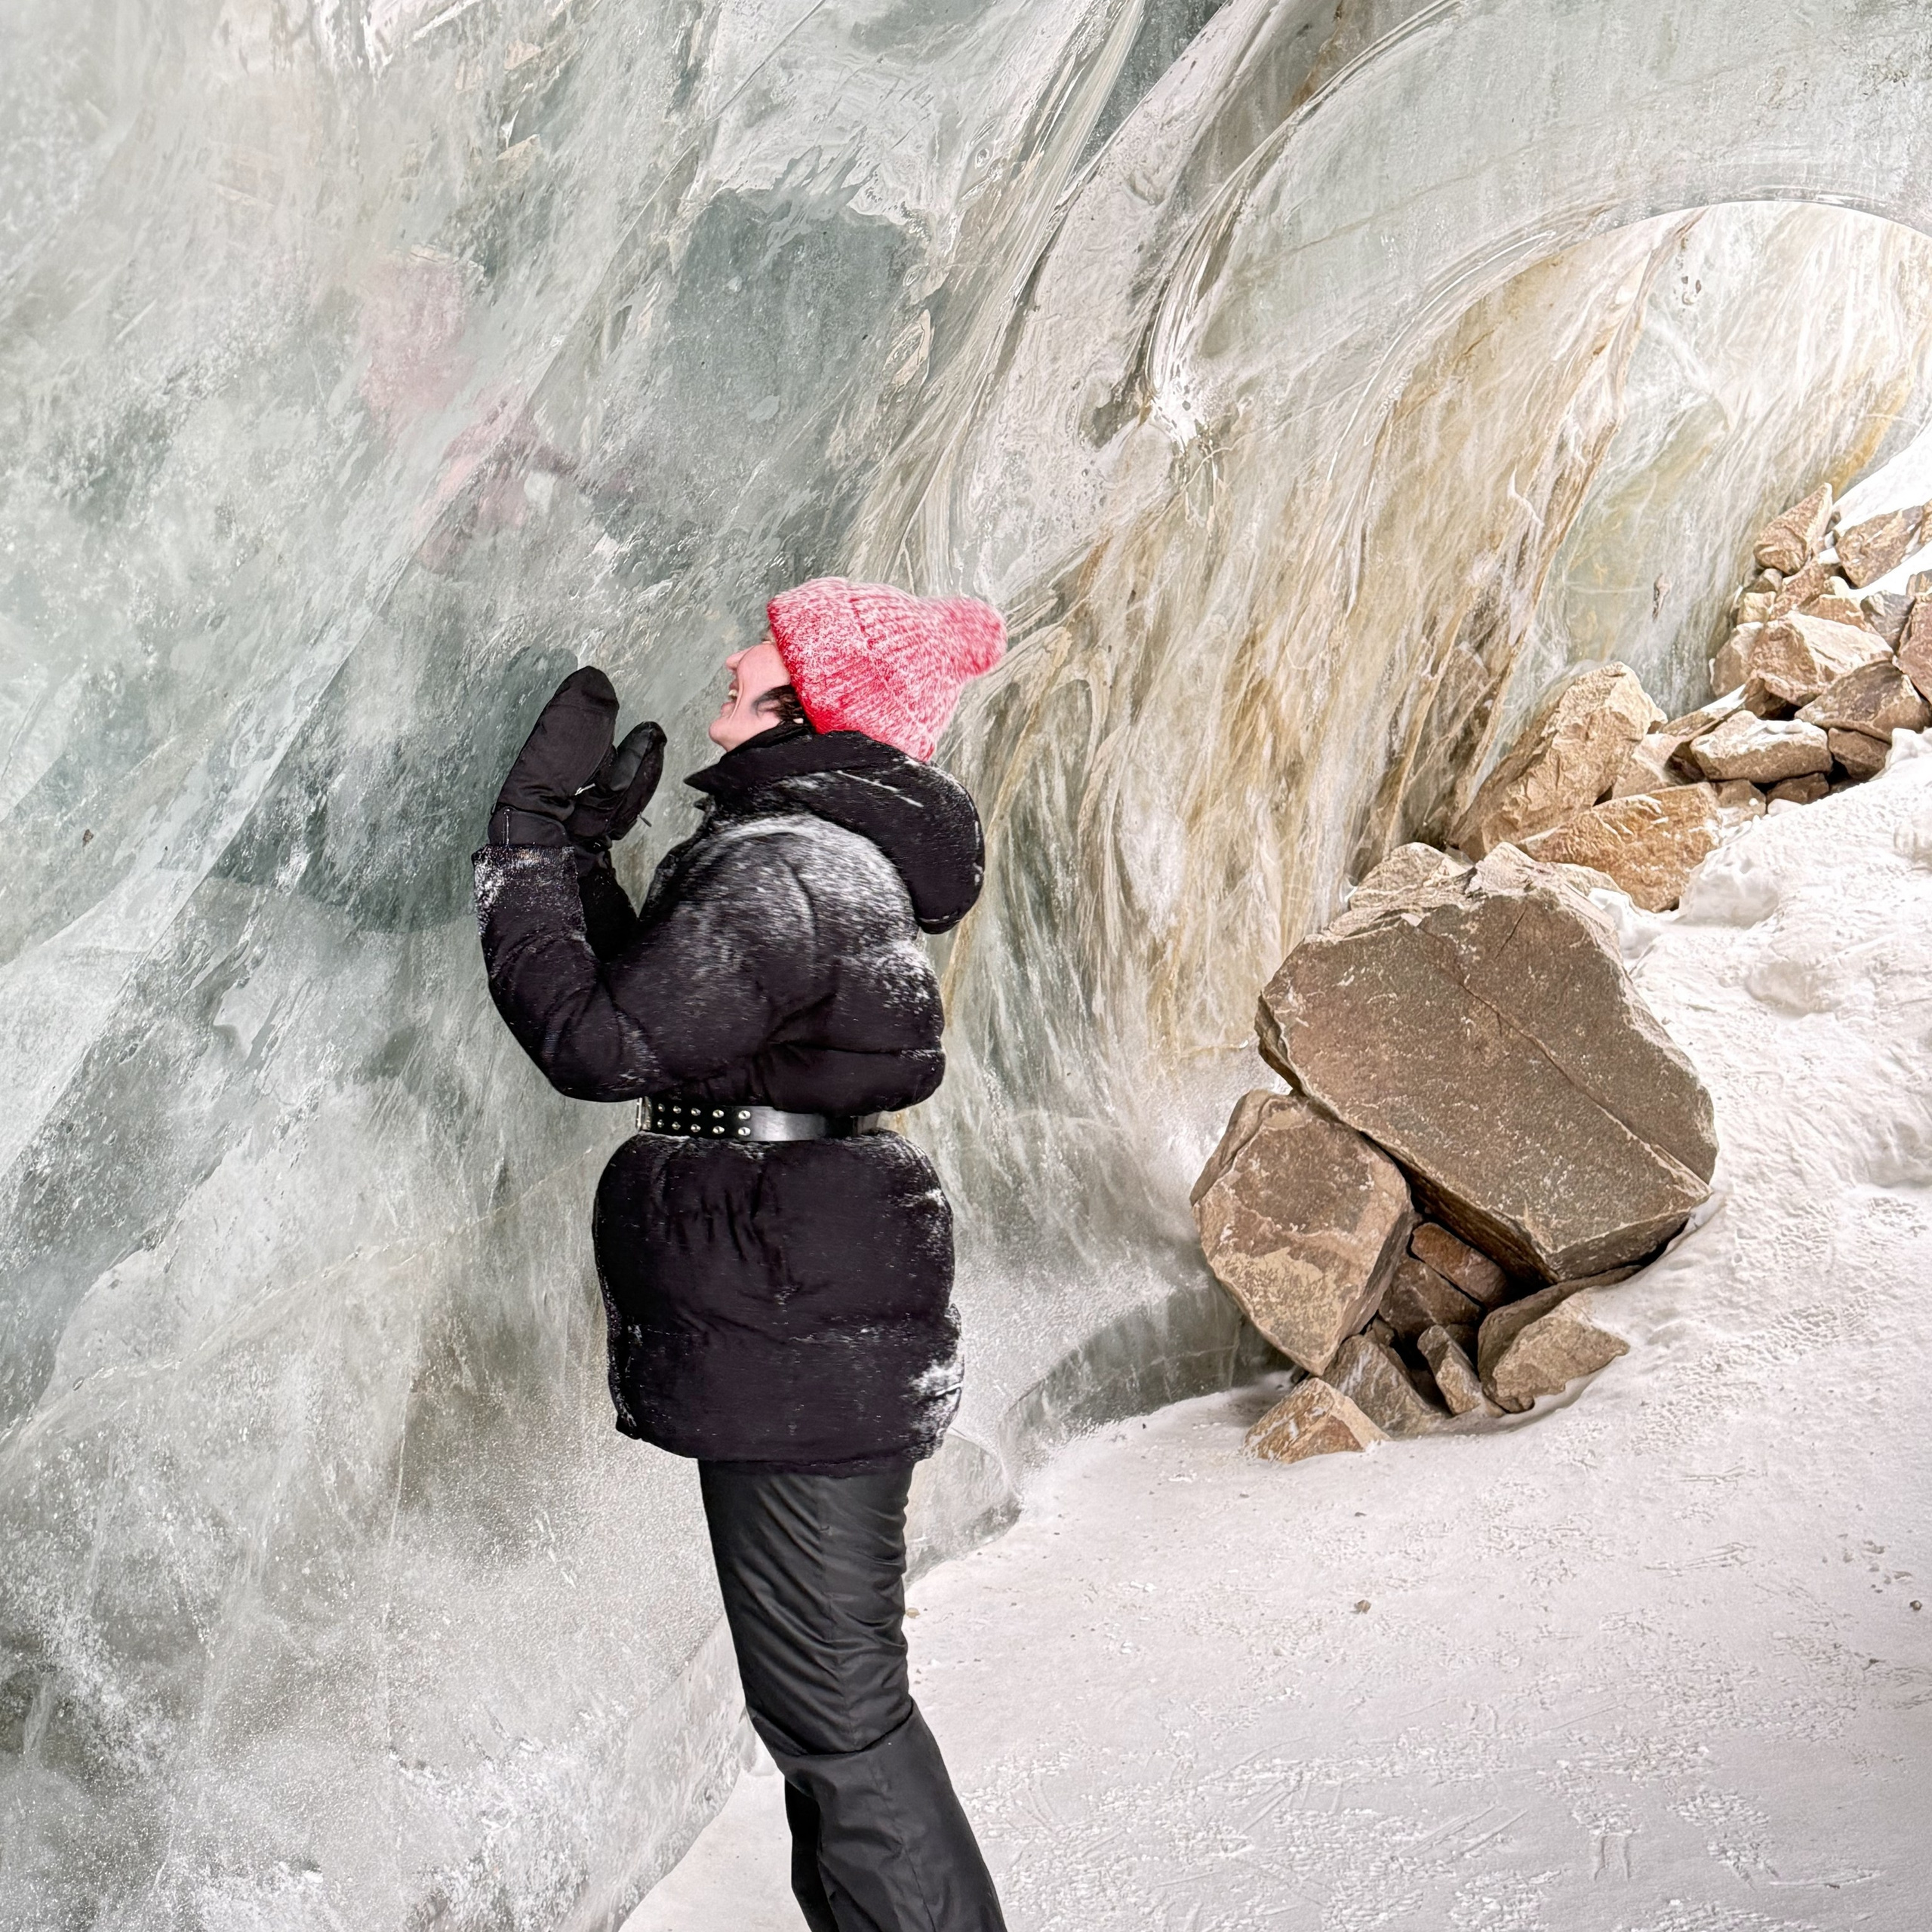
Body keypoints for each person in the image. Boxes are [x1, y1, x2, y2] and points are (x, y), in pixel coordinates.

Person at [474, 577, 1010, 1932]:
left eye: (765, 648)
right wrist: (593, 868)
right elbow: (676, 1026)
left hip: (796, 1309)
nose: (731, 653)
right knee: (828, 1713)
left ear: (810, 698)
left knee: (839, 1717)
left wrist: (528, 850)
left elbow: (604, 1049)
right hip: (806, 1297)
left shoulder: (787, 865)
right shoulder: (816, 857)